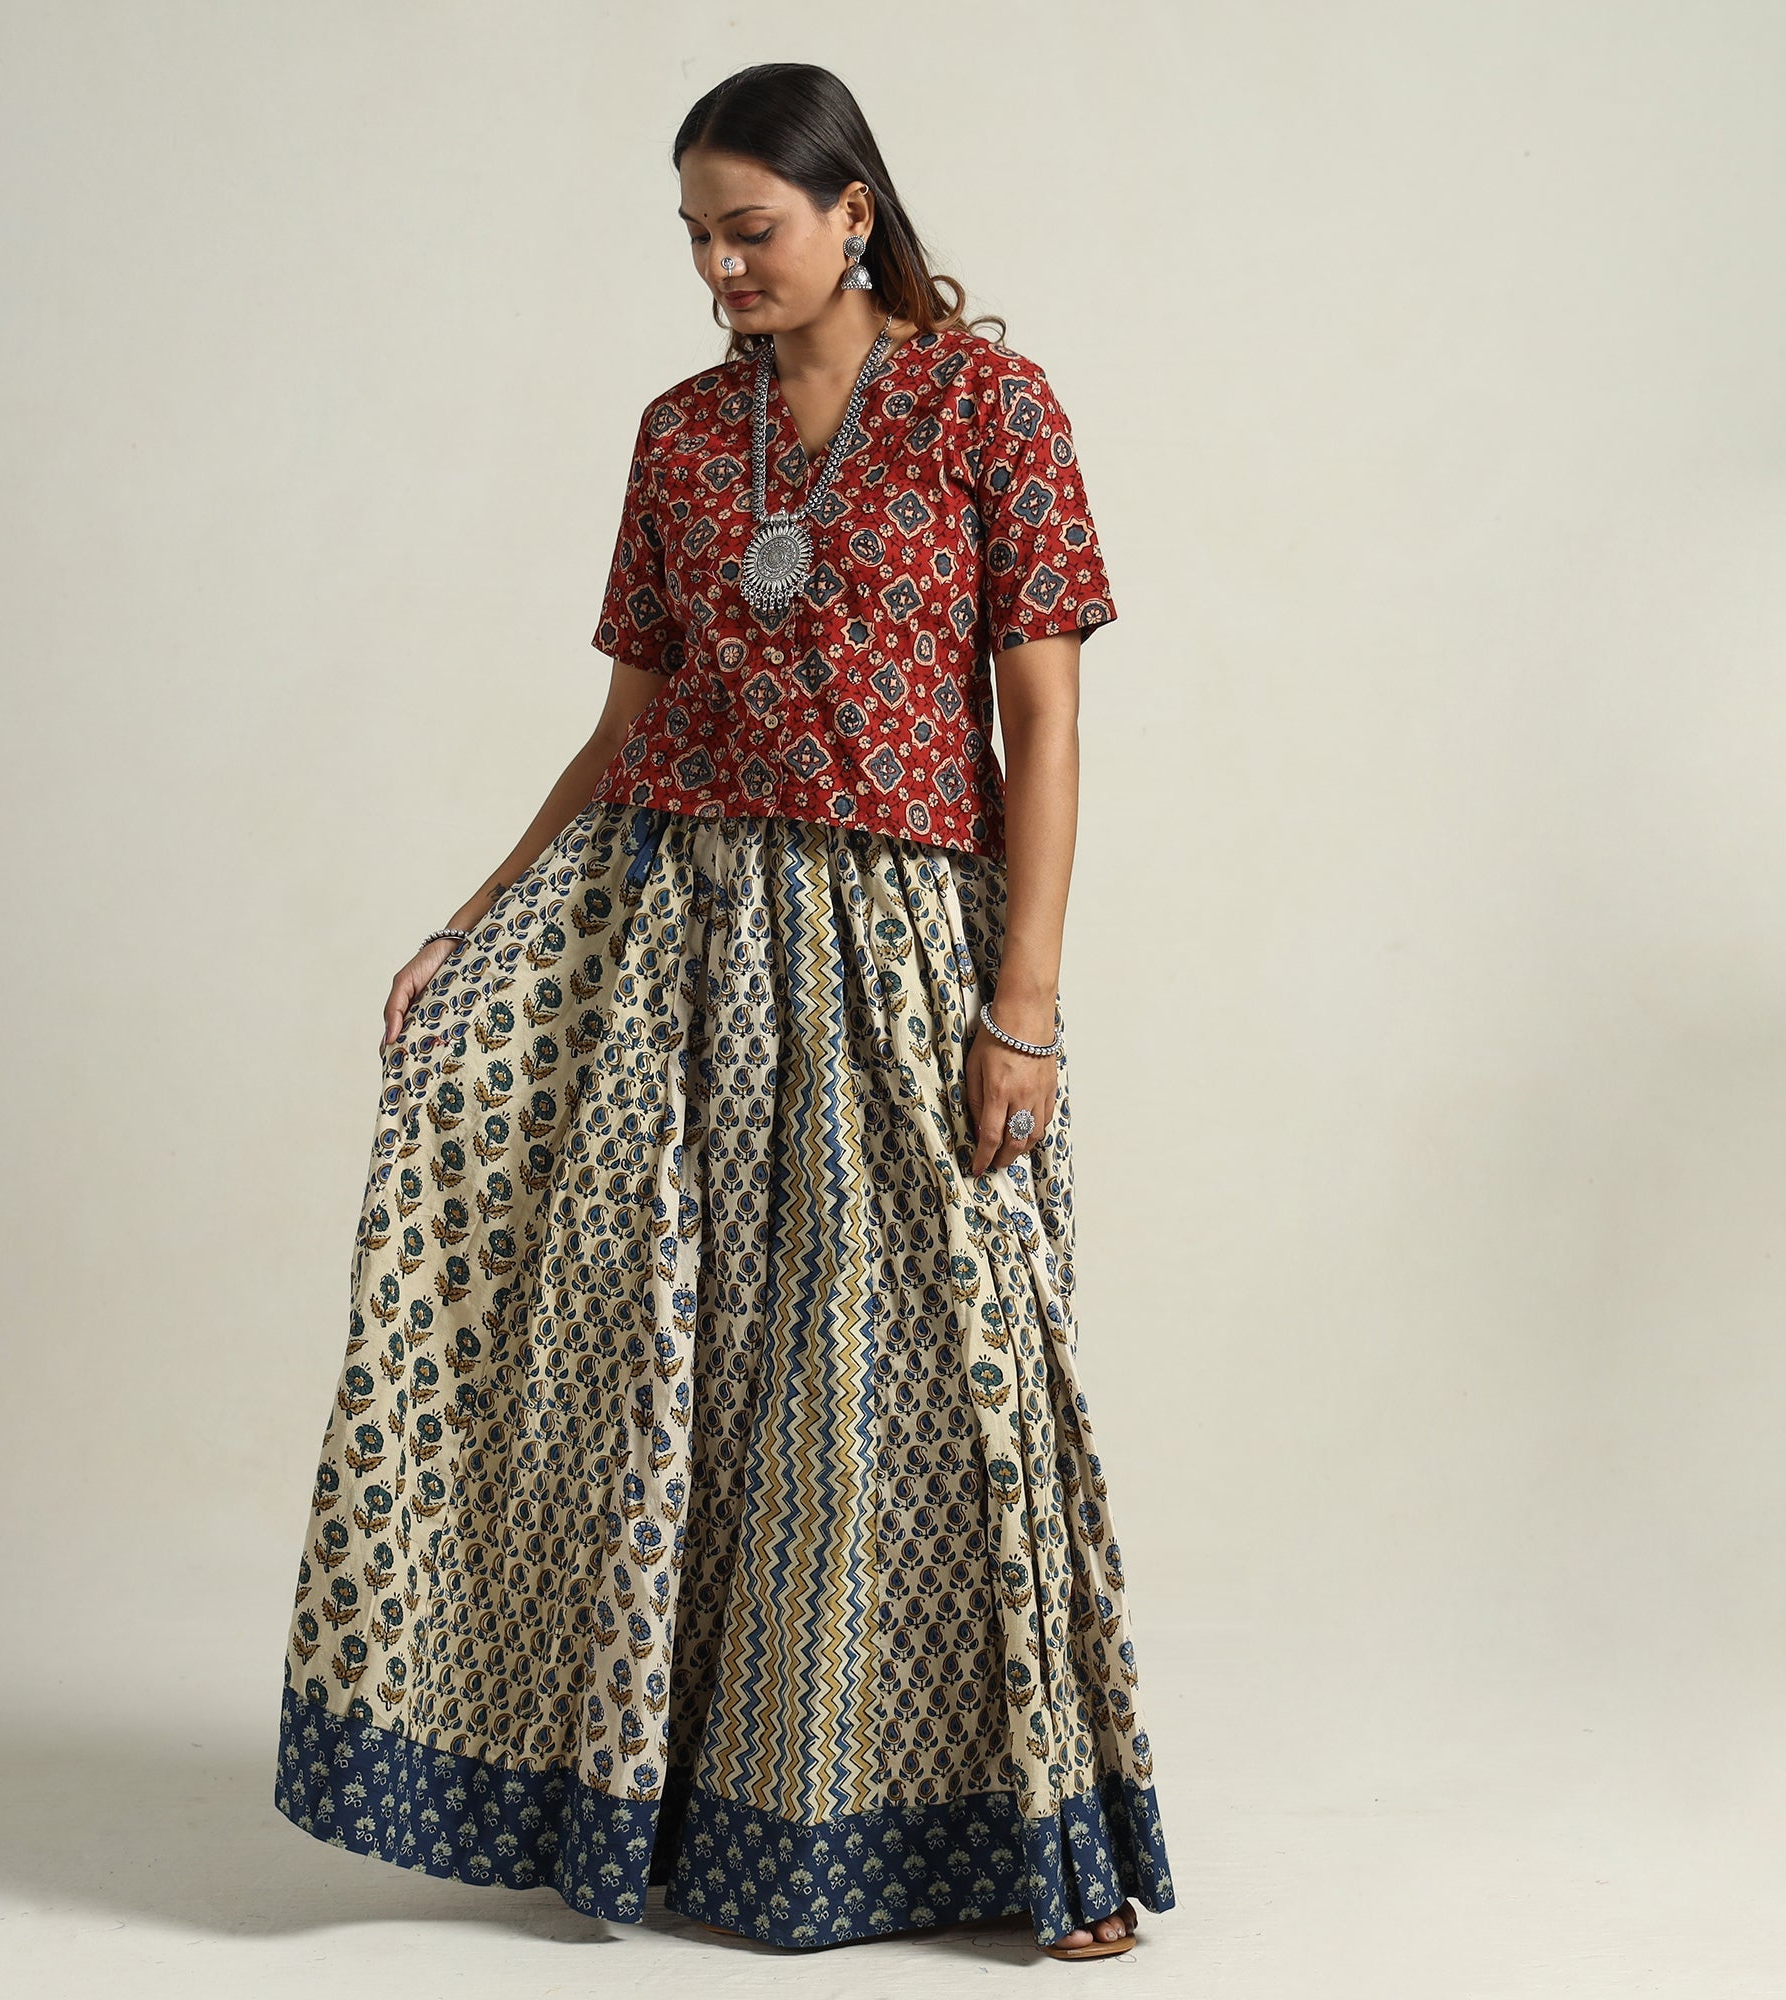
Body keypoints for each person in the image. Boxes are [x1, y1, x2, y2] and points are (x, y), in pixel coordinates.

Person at [271, 61, 1176, 1962]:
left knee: (942, 1366)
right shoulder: (683, 436)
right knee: (687, 1371)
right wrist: (471, 922)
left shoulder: (991, 407)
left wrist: (1023, 1002)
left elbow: (1044, 720)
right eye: (694, 235)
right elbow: (627, 730)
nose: (718, 268)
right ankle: (693, 1805)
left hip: (904, 944)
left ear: (856, 211)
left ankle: (1023, 1835)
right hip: (680, 939)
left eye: (750, 229)